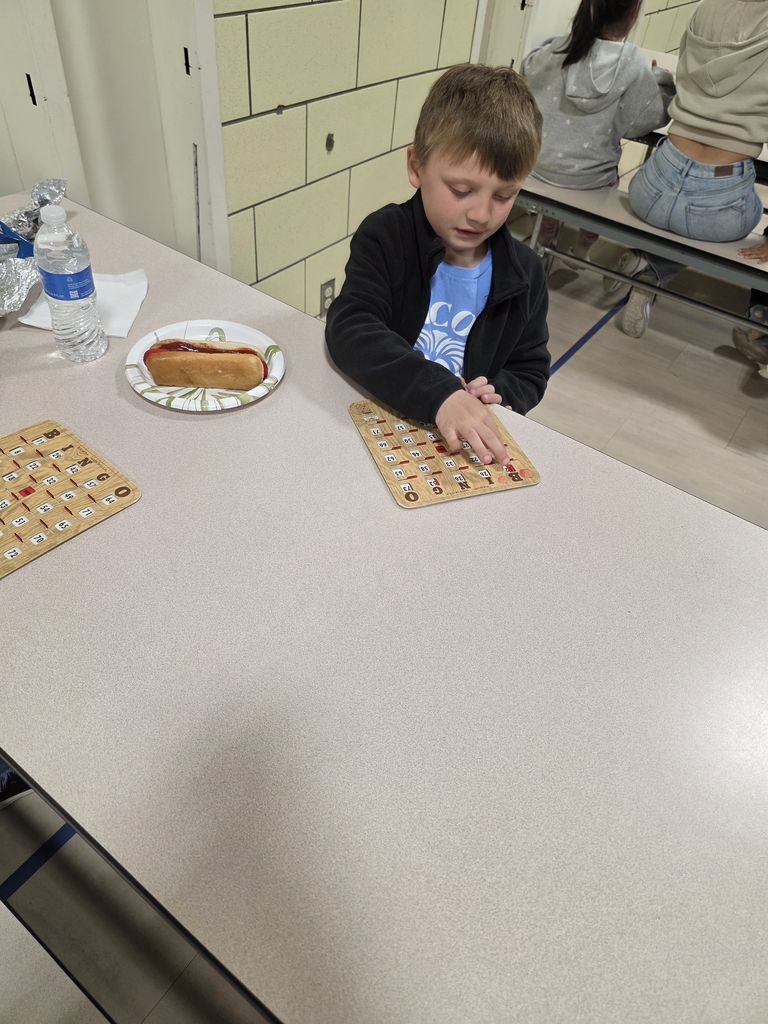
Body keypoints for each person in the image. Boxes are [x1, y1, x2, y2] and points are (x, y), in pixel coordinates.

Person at [325, 64, 549, 468]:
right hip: (374, 427)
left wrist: (500, 393)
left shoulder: (526, 274)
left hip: (457, 453)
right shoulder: (385, 236)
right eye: (461, 190)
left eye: (504, 195)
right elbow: (351, 327)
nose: (481, 214)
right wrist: (442, 393)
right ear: (416, 167)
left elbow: (530, 369)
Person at [614, 0, 768, 340]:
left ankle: (650, 265)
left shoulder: (706, 7)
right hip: (720, 200)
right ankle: (653, 267)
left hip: (653, 184)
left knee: (690, 205)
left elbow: (683, 75)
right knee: (748, 210)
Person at [521, 0, 674, 265]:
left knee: (555, 174)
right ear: (633, 12)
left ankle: (545, 236)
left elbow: (528, 70)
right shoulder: (633, 61)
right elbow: (648, 118)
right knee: (606, 181)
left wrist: (554, 43)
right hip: (590, 179)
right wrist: (658, 77)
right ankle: (581, 250)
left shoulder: (562, 48)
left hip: (540, 166)